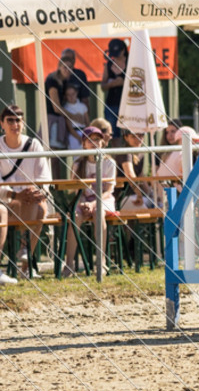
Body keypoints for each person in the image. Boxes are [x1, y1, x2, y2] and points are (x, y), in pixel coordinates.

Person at [0, 105, 51, 278]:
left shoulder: (33, 144)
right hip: (6, 201)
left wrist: (39, 191)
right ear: (2, 124)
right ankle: (23, 260)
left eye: (18, 120)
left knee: (42, 208)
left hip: (30, 200)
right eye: (10, 120)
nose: (15, 124)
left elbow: (44, 177)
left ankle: (25, 261)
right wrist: (14, 195)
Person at [62, 125, 118, 276]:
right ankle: (69, 264)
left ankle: (101, 262)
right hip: (83, 199)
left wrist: (93, 203)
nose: (95, 143)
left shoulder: (109, 162)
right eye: (91, 140)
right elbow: (75, 189)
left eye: (98, 139)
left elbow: (109, 190)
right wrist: (83, 203)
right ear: (84, 143)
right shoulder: (78, 164)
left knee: (98, 213)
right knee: (75, 216)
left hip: (103, 200)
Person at [100, 38, 128, 137]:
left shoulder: (130, 62)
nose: (115, 57)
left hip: (128, 105)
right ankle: (117, 153)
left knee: (129, 134)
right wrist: (112, 84)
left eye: (117, 53)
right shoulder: (109, 64)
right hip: (112, 104)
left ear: (123, 50)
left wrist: (125, 82)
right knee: (113, 135)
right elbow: (103, 86)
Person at [62, 81, 90, 151]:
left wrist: (86, 136)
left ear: (76, 93)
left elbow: (87, 123)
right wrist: (79, 138)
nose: (71, 97)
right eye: (68, 95)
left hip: (84, 133)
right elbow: (70, 128)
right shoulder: (66, 108)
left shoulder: (82, 106)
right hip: (74, 135)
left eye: (73, 94)